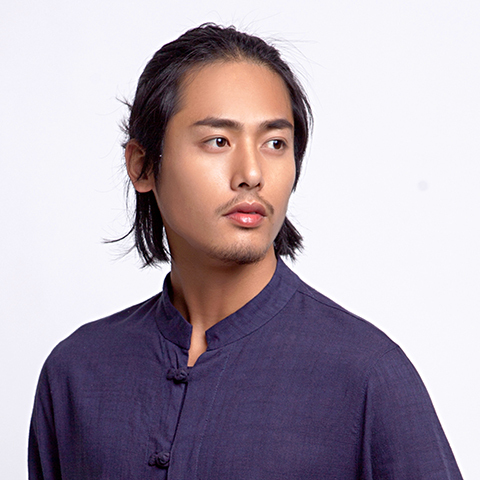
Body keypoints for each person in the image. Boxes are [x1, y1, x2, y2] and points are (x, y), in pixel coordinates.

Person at [29, 24, 463, 479]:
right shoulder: (77, 372)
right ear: (142, 166)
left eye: (275, 143)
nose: (252, 173)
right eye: (218, 141)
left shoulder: (366, 373)